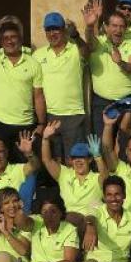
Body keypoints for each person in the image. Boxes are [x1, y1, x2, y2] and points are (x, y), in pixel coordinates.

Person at [0, 16, 45, 164]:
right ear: (1, 41)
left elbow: (38, 96)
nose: (10, 41)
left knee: (26, 169)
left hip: (25, 125)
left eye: (13, 37)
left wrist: (41, 124)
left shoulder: (33, 64)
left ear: (20, 39)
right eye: (5, 38)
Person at [35, 9, 92, 160]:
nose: (52, 33)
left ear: (64, 30)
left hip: (74, 115)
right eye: (48, 29)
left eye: (56, 29)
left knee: (74, 160)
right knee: (54, 161)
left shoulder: (75, 49)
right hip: (50, 115)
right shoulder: (38, 55)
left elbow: (87, 52)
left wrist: (76, 35)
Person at [90, 3, 131, 136]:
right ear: (106, 27)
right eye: (114, 26)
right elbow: (89, 40)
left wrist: (121, 62)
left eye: (122, 26)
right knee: (103, 142)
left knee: (128, 141)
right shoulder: (98, 42)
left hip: (128, 99)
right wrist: (90, 25)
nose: (118, 30)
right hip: (102, 102)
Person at [39, 126, 107, 228]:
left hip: (91, 223)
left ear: (89, 159)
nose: (78, 161)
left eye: (82, 157)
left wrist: (98, 156)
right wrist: (45, 139)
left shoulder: (97, 178)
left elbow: (106, 178)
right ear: (71, 160)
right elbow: (47, 160)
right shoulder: (64, 174)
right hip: (67, 223)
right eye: (75, 158)